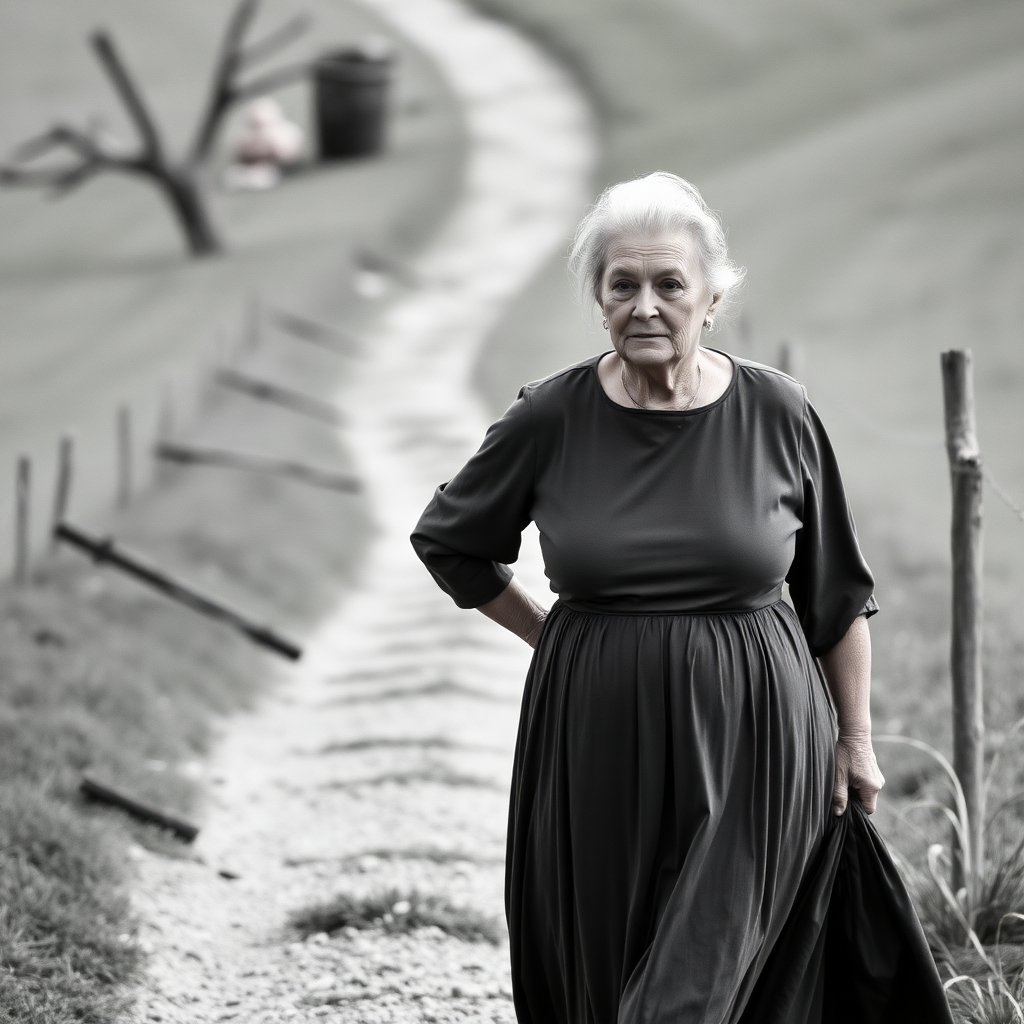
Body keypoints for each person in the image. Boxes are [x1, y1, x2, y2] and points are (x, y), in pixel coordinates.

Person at [411, 172, 952, 1023]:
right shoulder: (550, 417)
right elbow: (451, 541)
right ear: (599, 298)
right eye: (622, 284)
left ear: (711, 297)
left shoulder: (778, 410)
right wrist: (550, 633)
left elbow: (838, 594)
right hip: (595, 747)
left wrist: (855, 742)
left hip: (759, 749)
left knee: (691, 989)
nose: (646, 305)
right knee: (609, 963)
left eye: (670, 283)